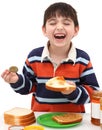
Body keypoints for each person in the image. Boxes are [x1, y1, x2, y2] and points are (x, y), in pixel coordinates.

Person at [1, 2, 99, 113]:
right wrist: (16, 80)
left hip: (74, 121)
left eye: (66, 23)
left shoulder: (82, 59)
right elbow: (28, 88)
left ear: (76, 30)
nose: (59, 27)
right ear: (44, 30)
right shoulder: (34, 57)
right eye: (53, 23)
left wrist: (73, 91)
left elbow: (94, 93)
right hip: (40, 119)